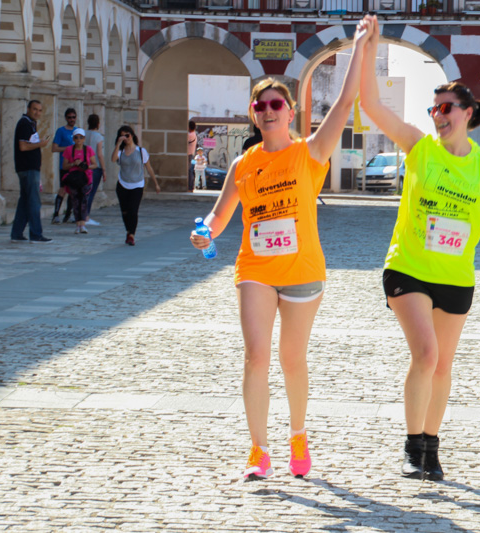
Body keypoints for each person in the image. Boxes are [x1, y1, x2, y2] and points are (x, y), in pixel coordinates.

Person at [359, 14, 480, 482]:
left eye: (445, 109)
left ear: (467, 113)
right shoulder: (419, 148)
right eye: (433, 109)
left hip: (457, 276)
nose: (437, 116)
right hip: (408, 267)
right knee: (425, 355)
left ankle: (431, 449)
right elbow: (371, 104)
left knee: (442, 366)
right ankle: (411, 446)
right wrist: (367, 47)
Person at [189, 19, 373, 481]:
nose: (268, 110)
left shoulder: (310, 153)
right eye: (260, 105)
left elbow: (347, 100)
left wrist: (358, 48)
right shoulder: (243, 163)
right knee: (255, 356)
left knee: (292, 358)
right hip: (255, 268)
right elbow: (220, 213)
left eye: (276, 104)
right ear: (254, 114)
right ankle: (258, 450)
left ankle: (297, 435)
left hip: (304, 269)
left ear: (290, 112)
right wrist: (205, 231)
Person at [10, 100, 53, 243]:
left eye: (40, 110)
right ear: (28, 109)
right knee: (34, 202)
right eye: (35, 109)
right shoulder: (25, 124)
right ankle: (36, 234)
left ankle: (16, 233)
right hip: (27, 169)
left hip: (29, 168)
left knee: (25, 201)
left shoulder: (30, 124)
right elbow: (23, 146)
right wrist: (41, 144)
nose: (37, 113)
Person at [111, 125, 161, 246]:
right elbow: (113, 160)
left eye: (127, 135)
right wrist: (118, 144)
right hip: (123, 184)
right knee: (124, 211)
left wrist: (156, 184)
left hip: (137, 185)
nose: (125, 138)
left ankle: (131, 235)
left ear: (132, 135)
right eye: (122, 136)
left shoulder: (141, 151)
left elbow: (148, 168)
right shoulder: (120, 151)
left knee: (133, 211)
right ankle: (128, 231)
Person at [61, 128, 97, 234]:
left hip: (86, 178)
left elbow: (95, 164)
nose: (79, 140)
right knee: (76, 201)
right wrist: (73, 163)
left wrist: (85, 166)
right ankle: (78, 224)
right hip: (74, 178)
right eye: (76, 137)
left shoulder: (88, 149)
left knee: (84, 201)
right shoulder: (69, 150)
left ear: (84, 138)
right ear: (73, 138)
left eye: (81, 137)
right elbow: (64, 166)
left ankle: (83, 224)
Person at [51, 107, 78, 223]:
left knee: (73, 190)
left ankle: (68, 214)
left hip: (75, 166)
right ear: (66, 118)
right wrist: (68, 149)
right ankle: (56, 214)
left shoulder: (77, 131)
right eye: (69, 117)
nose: (71, 119)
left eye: (73, 117)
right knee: (63, 189)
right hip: (65, 165)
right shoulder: (61, 131)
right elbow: (54, 148)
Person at [84, 114, 105, 226]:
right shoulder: (98, 137)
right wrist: (104, 169)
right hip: (95, 167)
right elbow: (100, 154)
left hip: (84, 166)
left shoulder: (83, 134)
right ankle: (86, 216)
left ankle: (80, 215)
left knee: (83, 192)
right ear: (98, 124)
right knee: (91, 192)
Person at [187, 120, 197, 192]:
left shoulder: (190, 135)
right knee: (190, 170)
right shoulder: (193, 133)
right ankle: (190, 187)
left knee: (189, 171)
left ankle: (190, 187)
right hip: (190, 153)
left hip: (188, 154)